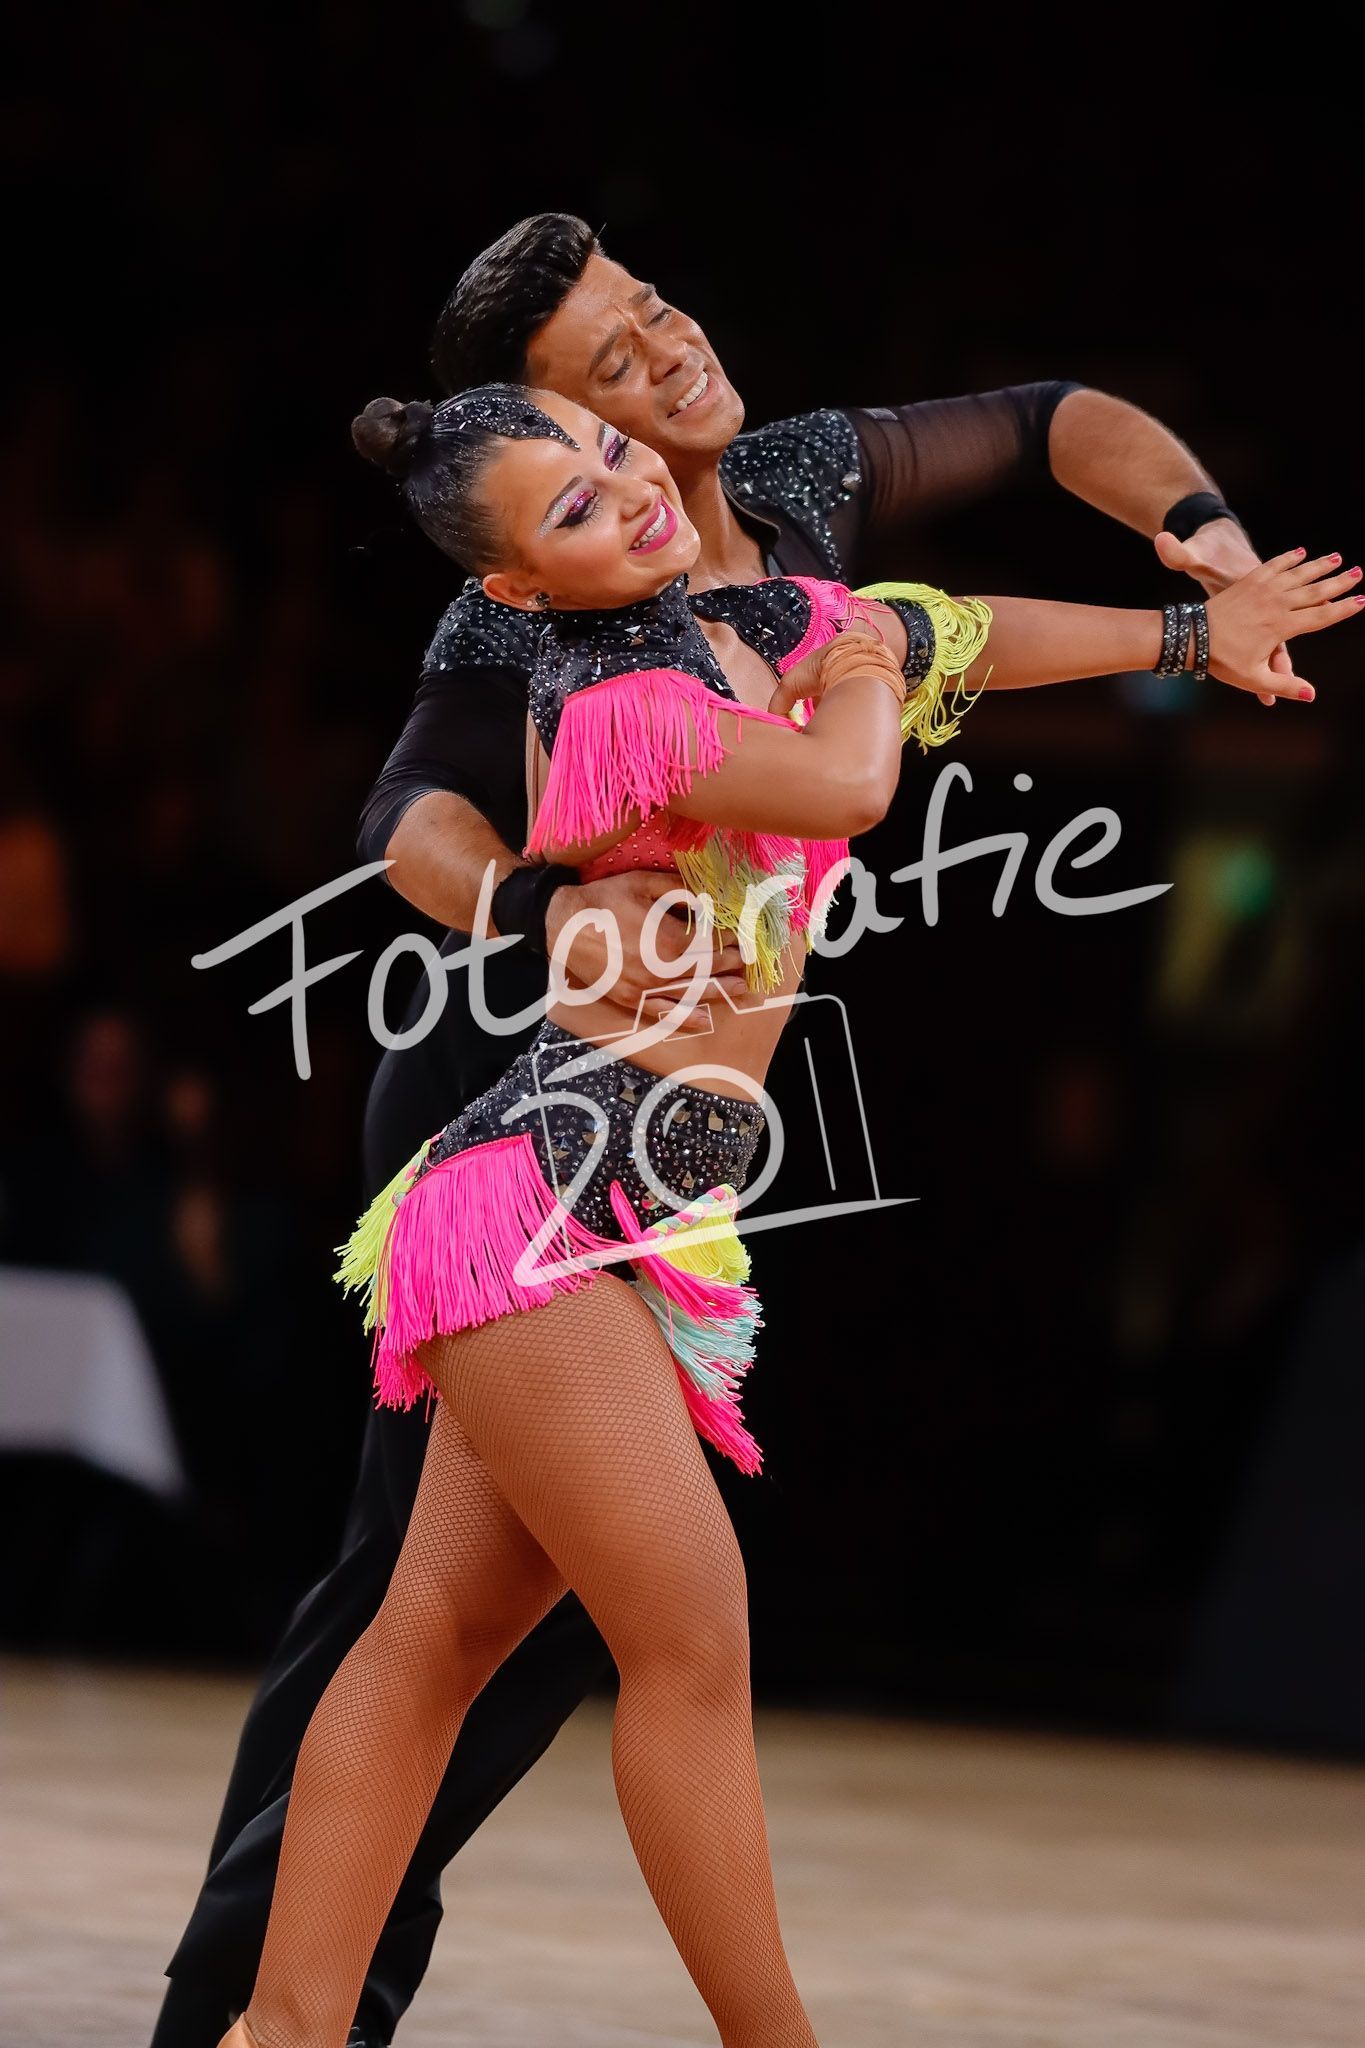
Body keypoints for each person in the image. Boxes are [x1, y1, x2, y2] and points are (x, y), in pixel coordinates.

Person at [154, 215, 1349, 2048]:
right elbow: (847, 772)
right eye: (579, 487)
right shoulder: (606, 695)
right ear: (521, 584)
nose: (633, 469)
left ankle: (279, 2031)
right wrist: (850, 664)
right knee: (682, 1641)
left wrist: (1194, 626)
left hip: (643, 1201)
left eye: (619, 444)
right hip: (542, 1186)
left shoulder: (769, 583)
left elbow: (965, 628)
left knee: (435, 1635)